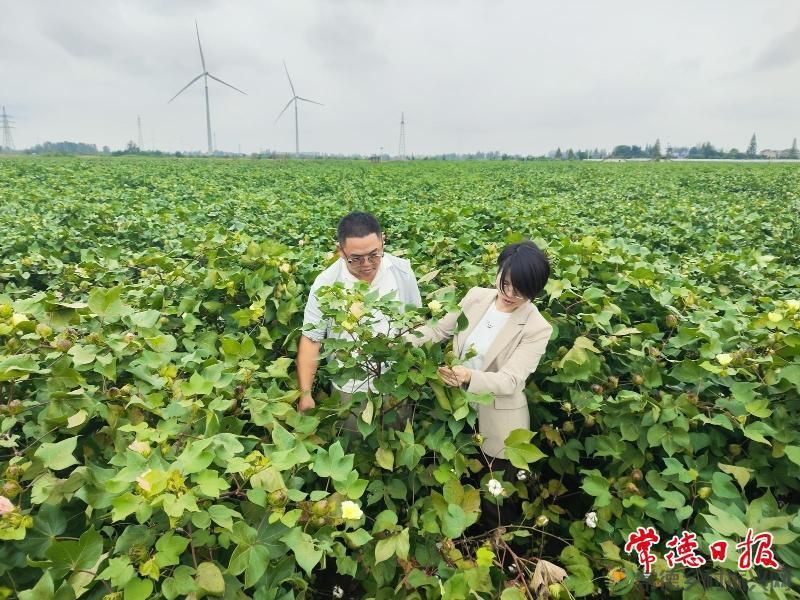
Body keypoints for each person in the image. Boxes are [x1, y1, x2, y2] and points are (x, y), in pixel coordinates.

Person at [411, 240, 552, 460]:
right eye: (504, 283)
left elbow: (510, 381)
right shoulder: (476, 296)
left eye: (520, 291)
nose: (509, 293)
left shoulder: (537, 327)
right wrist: (400, 340)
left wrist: (469, 377)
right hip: (455, 408)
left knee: (492, 486)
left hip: (498, 424)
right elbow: (439, 330)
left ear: (535, 290)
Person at [296, 212, 422, 413]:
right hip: (350, 387)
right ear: (340, 251)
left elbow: (416, 322)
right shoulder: (326, 283)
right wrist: (306, 394)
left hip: (397, 383)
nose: (367, 264)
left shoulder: (402, 271)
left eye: (374, 254)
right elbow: (312, 339)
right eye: (356, 258)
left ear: (383, 241)